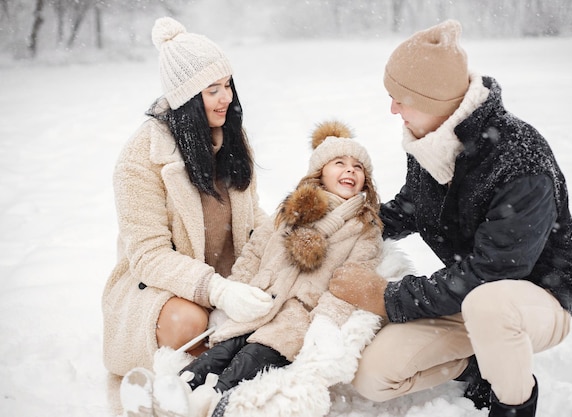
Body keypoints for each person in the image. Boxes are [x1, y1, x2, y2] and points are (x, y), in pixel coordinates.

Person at [329, 19, 572, 417]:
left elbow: (494, 273)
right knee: (373, 377)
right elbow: (409, 208)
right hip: (469, 298)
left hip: (533, 300)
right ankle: (480, 361)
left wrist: (385, 296)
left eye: (400, 98)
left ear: (434, 100)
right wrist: (337, 224)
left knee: (491, 305)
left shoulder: (519, 160)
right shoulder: (430, 142)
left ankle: (512, 403)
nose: (392, 108)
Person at [121, 120, 385, 417]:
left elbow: (353, 281)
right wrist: (236, 291)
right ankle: (174, 391)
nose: (350, 170)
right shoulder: (293, 211)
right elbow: (255, 251)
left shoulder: (365, 228)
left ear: (366, 181)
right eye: (339, 162)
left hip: (296, 316)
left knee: (250, 358)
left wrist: (325, 322)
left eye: (358, 167)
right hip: (259, 302)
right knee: (221, 351)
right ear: (320, 171)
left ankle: (207, 403)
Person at [102, 16, 273, 380]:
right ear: (187, 99)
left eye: (227, 85)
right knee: (190, 320)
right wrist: (217, 290)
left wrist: (286, 239)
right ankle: (198, 380)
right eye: (213, 90)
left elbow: (251, 217)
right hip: (160, 288)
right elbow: (149, 256)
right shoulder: (141, 158)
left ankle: (233, 366)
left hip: (230, 277)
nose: (226, 97)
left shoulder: (230, 139)